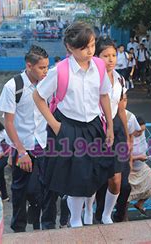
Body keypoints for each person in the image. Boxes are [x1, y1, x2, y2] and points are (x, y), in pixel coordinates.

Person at [33, 21, 115, 228]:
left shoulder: (98, 65)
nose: (90, 51)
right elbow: (38, 96)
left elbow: (104, 95)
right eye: (84, 47)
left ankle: (88, 213)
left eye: (92, 45)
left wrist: (110, 126)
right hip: (68, 126)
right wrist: (55, 125)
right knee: (77, 177)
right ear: (70, 47)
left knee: (95, 171)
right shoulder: (59, 71)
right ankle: (75, 220)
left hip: (94, 125)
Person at [0, 45, 53, 232]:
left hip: (44, 145)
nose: (46, 71)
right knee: (21, 190)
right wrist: (20, 152)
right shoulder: (13, 86)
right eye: (41, 68)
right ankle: (18, 228)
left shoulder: (48, 83)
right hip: (23, 148)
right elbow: (9, 123)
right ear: (29, 66)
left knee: (43, 190)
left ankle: (39, 226)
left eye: (47, 67)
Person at [91, 37, 131, 225]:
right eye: (105, 55)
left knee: (117, 180)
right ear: (96, 57)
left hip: (115, 129)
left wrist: (127, 136)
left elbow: (121, 109)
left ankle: (108, 214)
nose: (111, 59)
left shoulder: (120, 79)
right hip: (95, 129)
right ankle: (93, 214)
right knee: (95, 178)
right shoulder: (89, 77)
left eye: (114, 55)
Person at [129, 116, 151, 215]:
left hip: (141, 167)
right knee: (127, 196)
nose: (140, 133)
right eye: (138, 131)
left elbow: (144, 147)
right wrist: (137, 157)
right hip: (129, 169)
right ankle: (123, 216)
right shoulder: (126, 137)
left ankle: (139, 204)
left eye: (143, 130)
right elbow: (122, 157)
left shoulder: (141, 134)